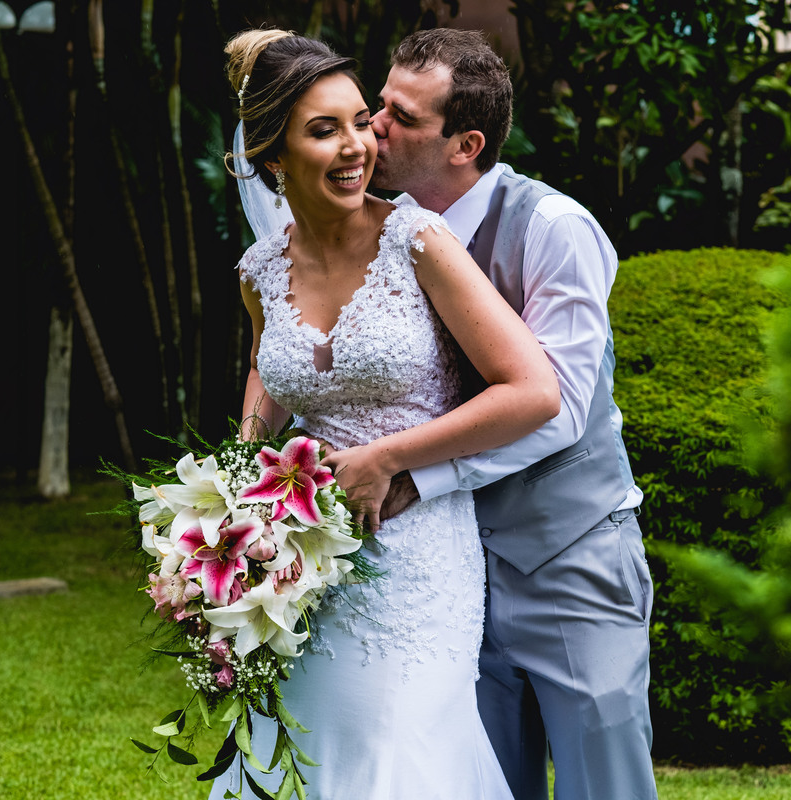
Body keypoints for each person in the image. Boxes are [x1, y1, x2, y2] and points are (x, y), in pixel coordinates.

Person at [214, 28, 559, 799]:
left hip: (419, 561)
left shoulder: (419, 241)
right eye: (322, 130)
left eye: (359, 121)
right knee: (295, 750)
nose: (355, 146)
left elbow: (533, 390)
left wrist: (391, 456)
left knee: (393, 747)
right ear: (271, 154)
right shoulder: (261, 271)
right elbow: (270, 367)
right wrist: (239, 478)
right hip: (302, 562)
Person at [369, 28, 658, 800]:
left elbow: (559, 409)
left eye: (400, 115)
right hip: (448, 576)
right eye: (378, 104)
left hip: (571, 561)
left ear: (466, 143)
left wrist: (419, 474)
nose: (375, 126)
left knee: (606, 785)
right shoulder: (385, 233)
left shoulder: (553, 229)